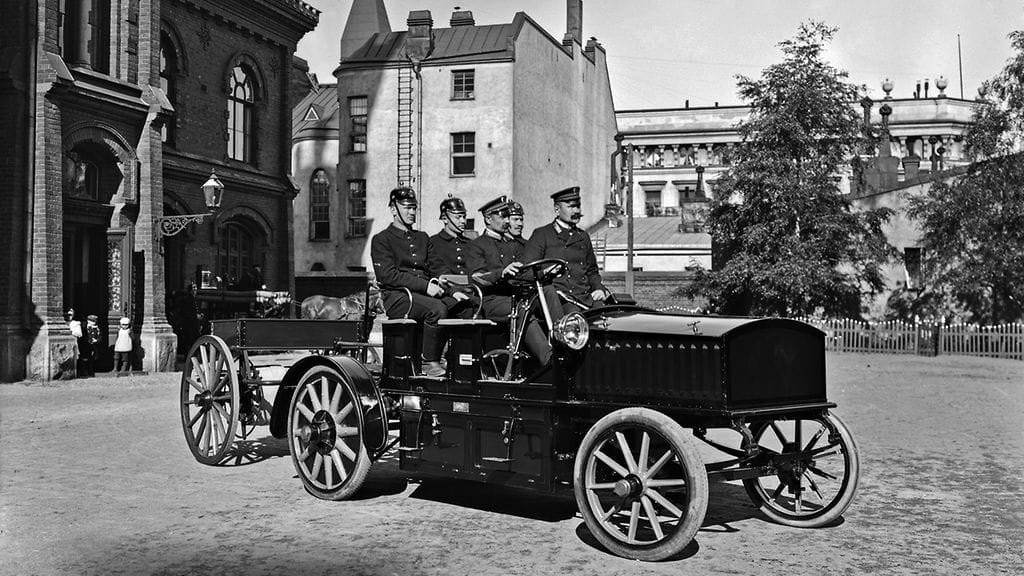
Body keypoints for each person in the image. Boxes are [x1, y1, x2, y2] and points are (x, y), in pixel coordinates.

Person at [370, 186, 447, 377]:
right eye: (406, 207)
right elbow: (388, 275)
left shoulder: (422, 238)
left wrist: (448, 285)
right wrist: (426, 286)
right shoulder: (382, 239)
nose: (412, 212)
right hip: (398, 297)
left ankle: (456, 360)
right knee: (436, 309)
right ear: (393, 209)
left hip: (423, 296)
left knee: (463, 306)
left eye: (414, 207)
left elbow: (436, 267)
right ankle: (428, 361)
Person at [469, 196, 551, 364]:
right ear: (488, 219)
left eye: (508, 216)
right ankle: (548, 360)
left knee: (548, 292)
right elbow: (477, 278)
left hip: (515, 297)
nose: (507, 221)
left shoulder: (512, 245)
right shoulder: (477, 245)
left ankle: (565, 344)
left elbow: (524, 272)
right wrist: (501, 273)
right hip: (490, 300)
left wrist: (544, 272)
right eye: (503, 216)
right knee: (522, 310)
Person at [521, 186, 610, 318]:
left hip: (585, 298)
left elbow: (592, 270)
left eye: (578, 206)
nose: (576, 211)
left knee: (608, 317)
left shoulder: (583, 236)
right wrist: (545, 273)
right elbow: (526, 271)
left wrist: (599, 288)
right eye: (571, 207)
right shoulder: (542, 234)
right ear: (557, 210)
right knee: (575, 319)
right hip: (559, 301)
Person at [430, 195, 477, 319]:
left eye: (464, 217)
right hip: (445, 295)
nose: (463, 221)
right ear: (445, 219)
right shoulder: (433, 243)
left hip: (471, 292)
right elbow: (434, 272)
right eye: (458, 217)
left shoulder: (471, 244)